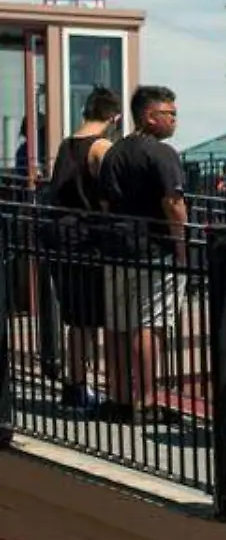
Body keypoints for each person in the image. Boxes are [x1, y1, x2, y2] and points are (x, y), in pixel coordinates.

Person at [97, 85, 188, 425]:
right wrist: (182, 246)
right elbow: (173, 203)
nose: (175, 120)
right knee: (150, 325)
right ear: (151, 116)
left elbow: (105, 204)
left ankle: (119, 400)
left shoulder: (114, 152)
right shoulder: (162, 154)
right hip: (154, 251)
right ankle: (147, 403)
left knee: (119, 326)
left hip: (116, 249)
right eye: (171, 113)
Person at [45, 86, 123, 410]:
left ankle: (75, 384)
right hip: (87, 240)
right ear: (113, 117)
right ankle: (78, 388)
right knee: (87, 319)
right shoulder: (101, 147)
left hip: (60, 236)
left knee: (77, 318)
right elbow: (110, 197)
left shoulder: (67, 144)